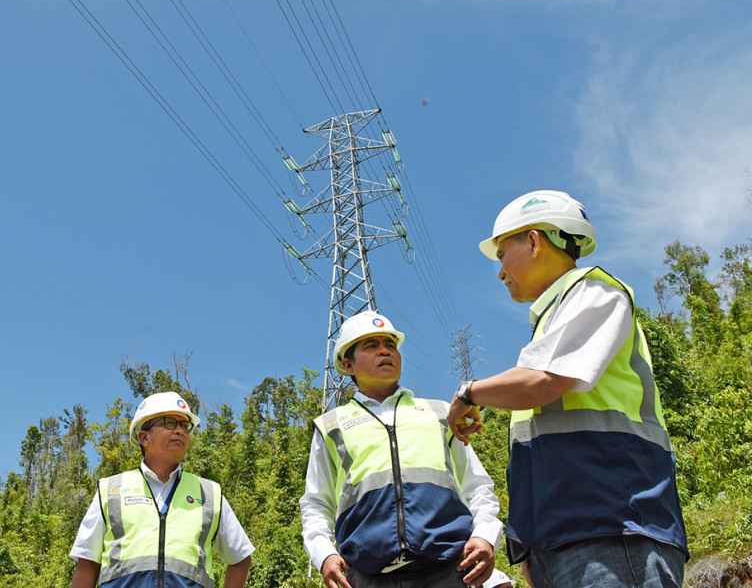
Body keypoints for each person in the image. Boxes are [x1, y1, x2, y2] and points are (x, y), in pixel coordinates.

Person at [447, 190, 688, 587]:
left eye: (502, 253)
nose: (500, 271)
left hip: (615, 530)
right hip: (564, 544)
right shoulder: (554, 323)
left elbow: (543, 382)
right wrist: (529, 546)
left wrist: (468, 392)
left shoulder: (596, 292)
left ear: (534, 241)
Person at [300, 311, 503, 588]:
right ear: (348, 365)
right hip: (368, 574)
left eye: (390, 345)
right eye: (371, 346)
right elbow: (316, 503)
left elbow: (477, 486)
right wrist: (324, 555)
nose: (385, 351)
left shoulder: (441, 413)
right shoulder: (331, 426)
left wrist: (486, 535)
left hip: (449, 568)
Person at [69, 391, 254, 588]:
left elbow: (240, 559)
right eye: (169, 423)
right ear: (144, 437)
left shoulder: (209, 493)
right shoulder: (111, 490)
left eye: (184, 425)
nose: (180, 431)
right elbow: (87, 564)